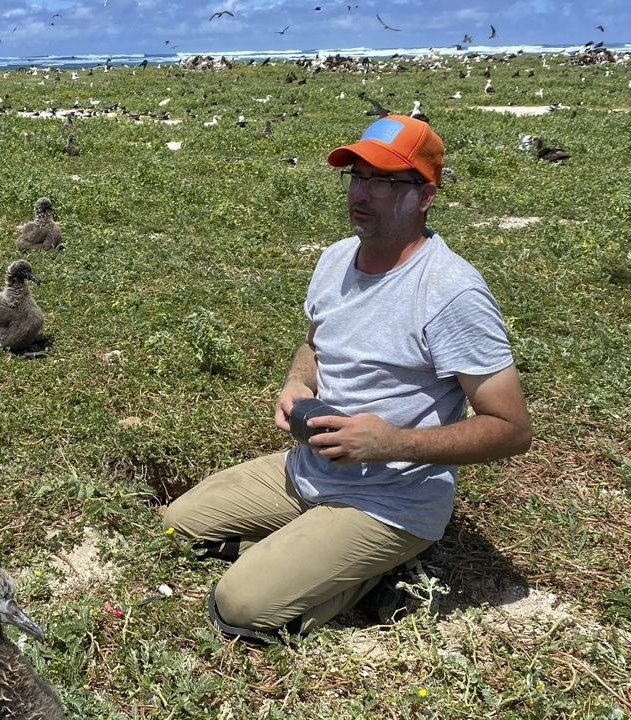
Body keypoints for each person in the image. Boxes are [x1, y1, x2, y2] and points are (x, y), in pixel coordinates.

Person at [162, 115, 532, 638]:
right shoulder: (336, 258)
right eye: (358, 176)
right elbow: (314, 343)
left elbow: (512, 428)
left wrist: (391, 442)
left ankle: (386, 565)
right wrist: (298, 383)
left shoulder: (451, 293)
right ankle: (315, 550)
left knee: (239, 607)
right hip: (311, 468)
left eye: (384, 181)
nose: (364, 193)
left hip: (391, 499)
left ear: (425, 195)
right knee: (176, 527)